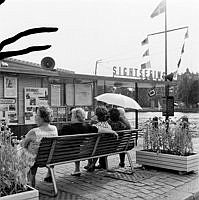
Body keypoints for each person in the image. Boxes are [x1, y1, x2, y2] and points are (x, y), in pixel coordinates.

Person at [59, 107, 117, 176]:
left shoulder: (66, 128)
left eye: (71, 115)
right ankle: (77, 169)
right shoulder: (88, 127)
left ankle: (76, 170)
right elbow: (100, 129)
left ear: (75, 117)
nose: (70, 117)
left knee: (76, 147)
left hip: (66, 154)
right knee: (78, 147)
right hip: (86, 152)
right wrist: (112, 131)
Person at [22, 105, 58, 185]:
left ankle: (27, 180)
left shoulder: (34, 131)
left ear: (42, 118)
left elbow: (23, 144)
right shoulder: (54, 128)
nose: (35, 117)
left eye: (37, 115)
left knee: (22, 151)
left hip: (36, 160)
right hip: (49, 157)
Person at [86, 106, 112, 171]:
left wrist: (91, 121)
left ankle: (90, 163)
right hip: (105, 147)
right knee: (98, 148)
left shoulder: (95, 126)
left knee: (91, 146)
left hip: (94, 148)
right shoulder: (108, 126)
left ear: (97, 115)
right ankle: (93, 164)